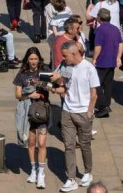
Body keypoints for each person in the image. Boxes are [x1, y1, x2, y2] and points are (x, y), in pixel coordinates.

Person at [49, 40, 99, 192]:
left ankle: (88, 172)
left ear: (74, 54)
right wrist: (55, 83)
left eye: (65, 56)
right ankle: (71, 179)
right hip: (67, 111)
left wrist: (89, 113)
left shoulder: (89, 68)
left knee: (85, 145)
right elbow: (63, 88)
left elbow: (94, 95)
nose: (64, 59)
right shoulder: (66, 66)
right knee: (69, 146)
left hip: (83, 113)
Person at [14, 47, 50, 189]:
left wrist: (42, 85)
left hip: (41, 111)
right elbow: (17, 94)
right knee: (31, 143)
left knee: (41, 143)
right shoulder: (22, 74)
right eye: (31, 59)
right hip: (28, 112)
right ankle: (33, 170)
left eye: (35, 59)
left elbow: (51, 86)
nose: (33, 62)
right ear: (27, 60)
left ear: (39, 59)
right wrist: (29, 95)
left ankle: (41, 173)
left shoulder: (44, 71)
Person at [92, 9, 123, 118]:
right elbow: (120, 44)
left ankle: (103, 105)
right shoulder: (115, 29)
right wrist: (118, 57)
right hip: (112, 61)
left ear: (99, 18)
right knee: (108, 84)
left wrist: (94, 59)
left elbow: (98, 46)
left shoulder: (100, 30)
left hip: (102, 61)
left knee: (96, 84)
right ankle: (107, 105)